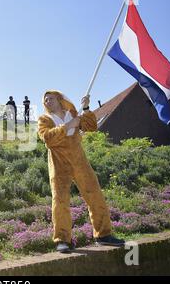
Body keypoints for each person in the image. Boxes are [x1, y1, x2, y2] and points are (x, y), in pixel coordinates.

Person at [38, 90, 125, 253]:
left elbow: (92, 127)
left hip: (80, 162)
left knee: (95, 195)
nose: (47, 101)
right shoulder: (45, 119)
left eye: (51, 98)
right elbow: (48, 139)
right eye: (45, 100)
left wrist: (85, 109)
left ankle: (103, 235)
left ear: (59, 99)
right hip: (59, 164)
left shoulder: (73, 114)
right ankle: (62, 240)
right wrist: (69, 126)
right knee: (60, 200)